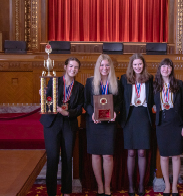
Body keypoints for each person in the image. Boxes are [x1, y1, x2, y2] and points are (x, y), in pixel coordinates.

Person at [40, 57, 84, 196]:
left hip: (68, 124)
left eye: (76, 67)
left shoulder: (79, 87)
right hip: (51, 123)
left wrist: (67, 112)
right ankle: (51, 193)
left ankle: (66, 192)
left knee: (67, 159)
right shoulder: (54, 81)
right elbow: (47, 101)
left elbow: (79, 108)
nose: (73, 69)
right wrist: (42, 95)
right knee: (52, 159)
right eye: (71, 66)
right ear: (65, 67)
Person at [84, 54, 121, 196]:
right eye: (102, 65)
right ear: (97, 67)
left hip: (109, 124)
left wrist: (116, 112)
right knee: (96, 155)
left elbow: (119, 103)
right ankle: (99, 186)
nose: (104, 68)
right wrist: (92, 113)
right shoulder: (90, 82)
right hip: (95, 123)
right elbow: (86, 102)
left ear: (110, 67)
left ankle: (107, 186)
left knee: (108, 156)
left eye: (107, 65)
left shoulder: (115, 83)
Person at [153, 58, 183, 196]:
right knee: (163, 156)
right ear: (159, 69)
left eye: (168, 67)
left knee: (175, 156)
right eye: (163, 66)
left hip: (176, 124)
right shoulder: (155, 84)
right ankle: (166, 185)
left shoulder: (178, 84)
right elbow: (150, 101)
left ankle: (174, 185)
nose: (165, 69)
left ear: (171, 69)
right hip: (162, 125)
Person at [120, 53, 154, 196]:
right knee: (131, 152)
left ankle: (141, 185)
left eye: (140, 64)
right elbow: (120, 99)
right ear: (131, 66)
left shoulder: (149, 79)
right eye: (135, 64)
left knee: (142, 152)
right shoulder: (124, 79)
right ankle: (131, 185)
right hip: (130, 117)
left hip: (144, 117)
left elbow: (153, 97)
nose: (138, 67)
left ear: (143, 65)